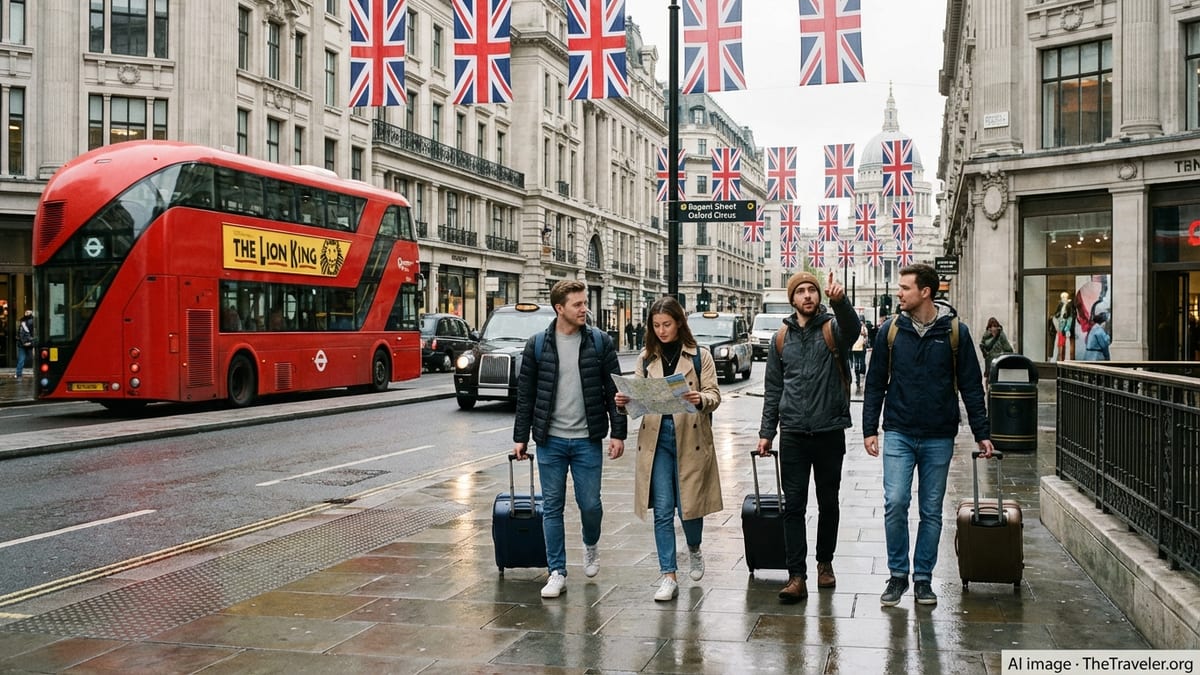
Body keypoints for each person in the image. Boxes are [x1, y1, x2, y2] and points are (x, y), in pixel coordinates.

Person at [862, 263, 993, 608]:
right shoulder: (890, 330)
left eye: (905, 288)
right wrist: (868, 428)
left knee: (931, 510)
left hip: (938, 434)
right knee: (895, 503)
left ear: (925, 292)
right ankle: (897, 575)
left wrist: (982, 432)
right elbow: (875, 383)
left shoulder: (955, 333)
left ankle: (923, 579)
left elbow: (971, 386)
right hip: (899, 432)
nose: (899, 293)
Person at [513, 280, 626, 599]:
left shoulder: (600, 342)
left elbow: (614, 391)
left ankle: (591, 544)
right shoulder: (537, 345)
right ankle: (557, 571)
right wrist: (520, 437)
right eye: (577, 304)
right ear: (559, 308)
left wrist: (618, 432)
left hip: (587, 439)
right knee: (552, 506)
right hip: (550, 440)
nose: (584, 308)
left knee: (590, 504)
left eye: (584, 302)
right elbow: (527, 396)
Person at [757, 270, 861, 602]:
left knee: (829, 503)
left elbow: (854, 328)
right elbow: (773, 389)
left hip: (829, 430)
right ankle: (796, 575)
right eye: (801, 291)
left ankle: (825, 564)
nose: (807, 296)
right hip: (793, 435)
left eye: (812, 290)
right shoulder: (781, 338)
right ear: (792, 299)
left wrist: (840, 300)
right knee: (794, 506)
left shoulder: (833, 329)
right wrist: (765, 433)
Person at [614, 297, 722, 602]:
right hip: (656, 441)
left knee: (689, 508)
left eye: (667, 324)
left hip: (691, 440)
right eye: (656, 325)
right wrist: (624, 402)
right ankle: (668, 575)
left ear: (679, 323)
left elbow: (714, 394)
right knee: (662, 510)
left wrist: (700, 398)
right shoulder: (647, 358)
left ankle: (695, 548)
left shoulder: (700, 356)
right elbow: (637, 397)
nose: (662, 331)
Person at [15, 310, 34, 379]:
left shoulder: (31, 322)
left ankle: (18, 374)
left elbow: (21, 334)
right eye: (26, 312)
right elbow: (20, 334)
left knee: (26, 359)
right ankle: (18, 373)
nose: (27, 313)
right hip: (24, 344)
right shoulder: (22, 322)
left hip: (25, 343)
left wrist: (29, 342)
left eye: (28, 312)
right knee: (22, 359)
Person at [850, 323, 868, 394]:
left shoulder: (854, 327)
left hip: (854, 348)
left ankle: (856, 370)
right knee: (861, 360)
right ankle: (860, 371)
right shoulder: (864, 328)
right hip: (860, 347)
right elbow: (866, 338)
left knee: (856, 361)